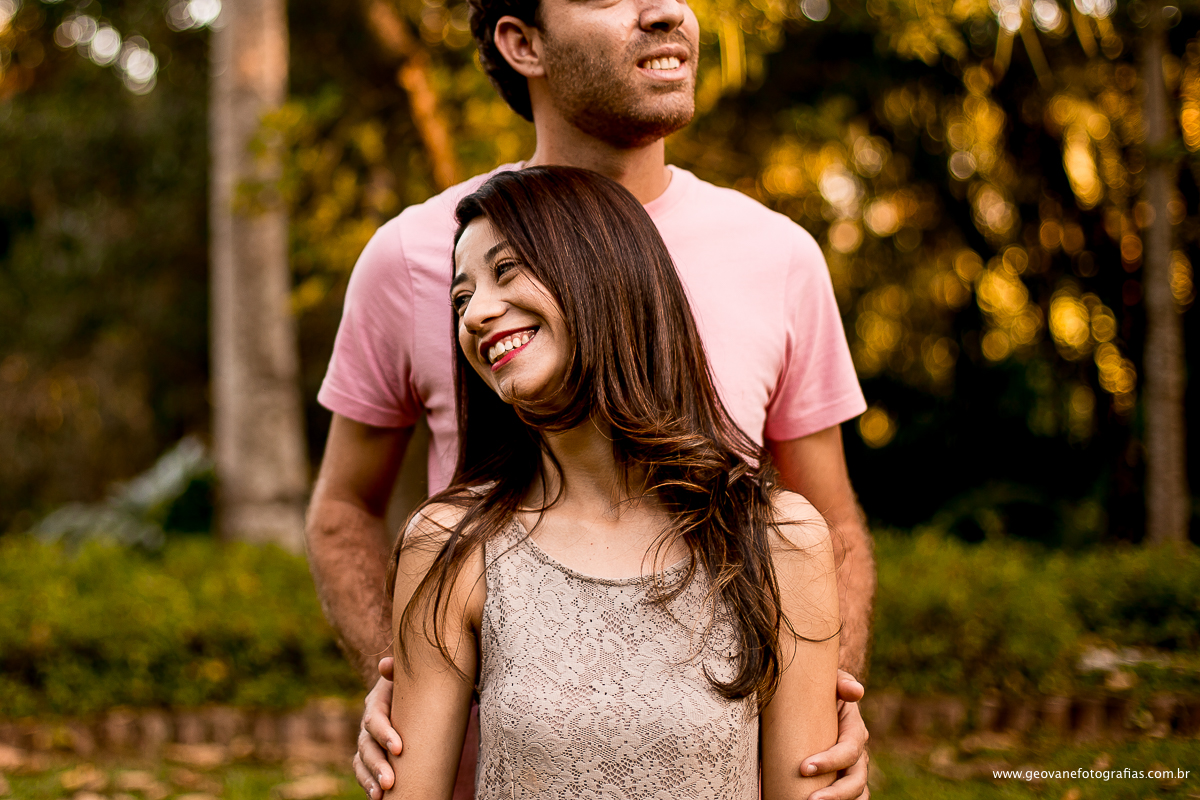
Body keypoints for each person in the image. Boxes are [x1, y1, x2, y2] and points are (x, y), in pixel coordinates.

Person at [305, 1, 875, 798]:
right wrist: (409, 680)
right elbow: (341, 511)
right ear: (522, 41)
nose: (668, 10)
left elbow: (830, 521)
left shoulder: (779, 255)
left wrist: (821, 701)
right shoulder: (413, 253)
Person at [387, 164, 840, 800]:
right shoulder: (449, 546)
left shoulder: (779, 541)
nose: (476, 315)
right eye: (461, 299)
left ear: (603, 273)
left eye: (507, 270)